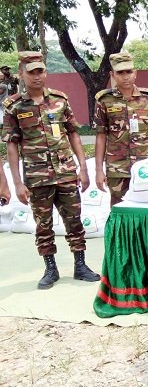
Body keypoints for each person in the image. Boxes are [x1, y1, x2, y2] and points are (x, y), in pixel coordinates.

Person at [1, 51, 100, 289]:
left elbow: (73, 133)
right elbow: (12, 146)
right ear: (21, 75)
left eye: (40, 71)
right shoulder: (13, 106)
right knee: (43, 225)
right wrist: (17, 182)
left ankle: (80, 265)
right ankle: (51, 268)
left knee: (74, 221)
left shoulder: (60, 99)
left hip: (66, 171)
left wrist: (83, 167)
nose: (37, 77)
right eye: (31, 72)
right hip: (37, 177)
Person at [93, 52, 148, 206]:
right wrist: (99, 170)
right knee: (119, 212)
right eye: (120, 72)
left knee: (146, 211)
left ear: (135, 73)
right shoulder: (104, 100)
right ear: (112, 75)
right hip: (117, 168)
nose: (125, 76)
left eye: (129, 71)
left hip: (144, 168)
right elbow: (101, 136)